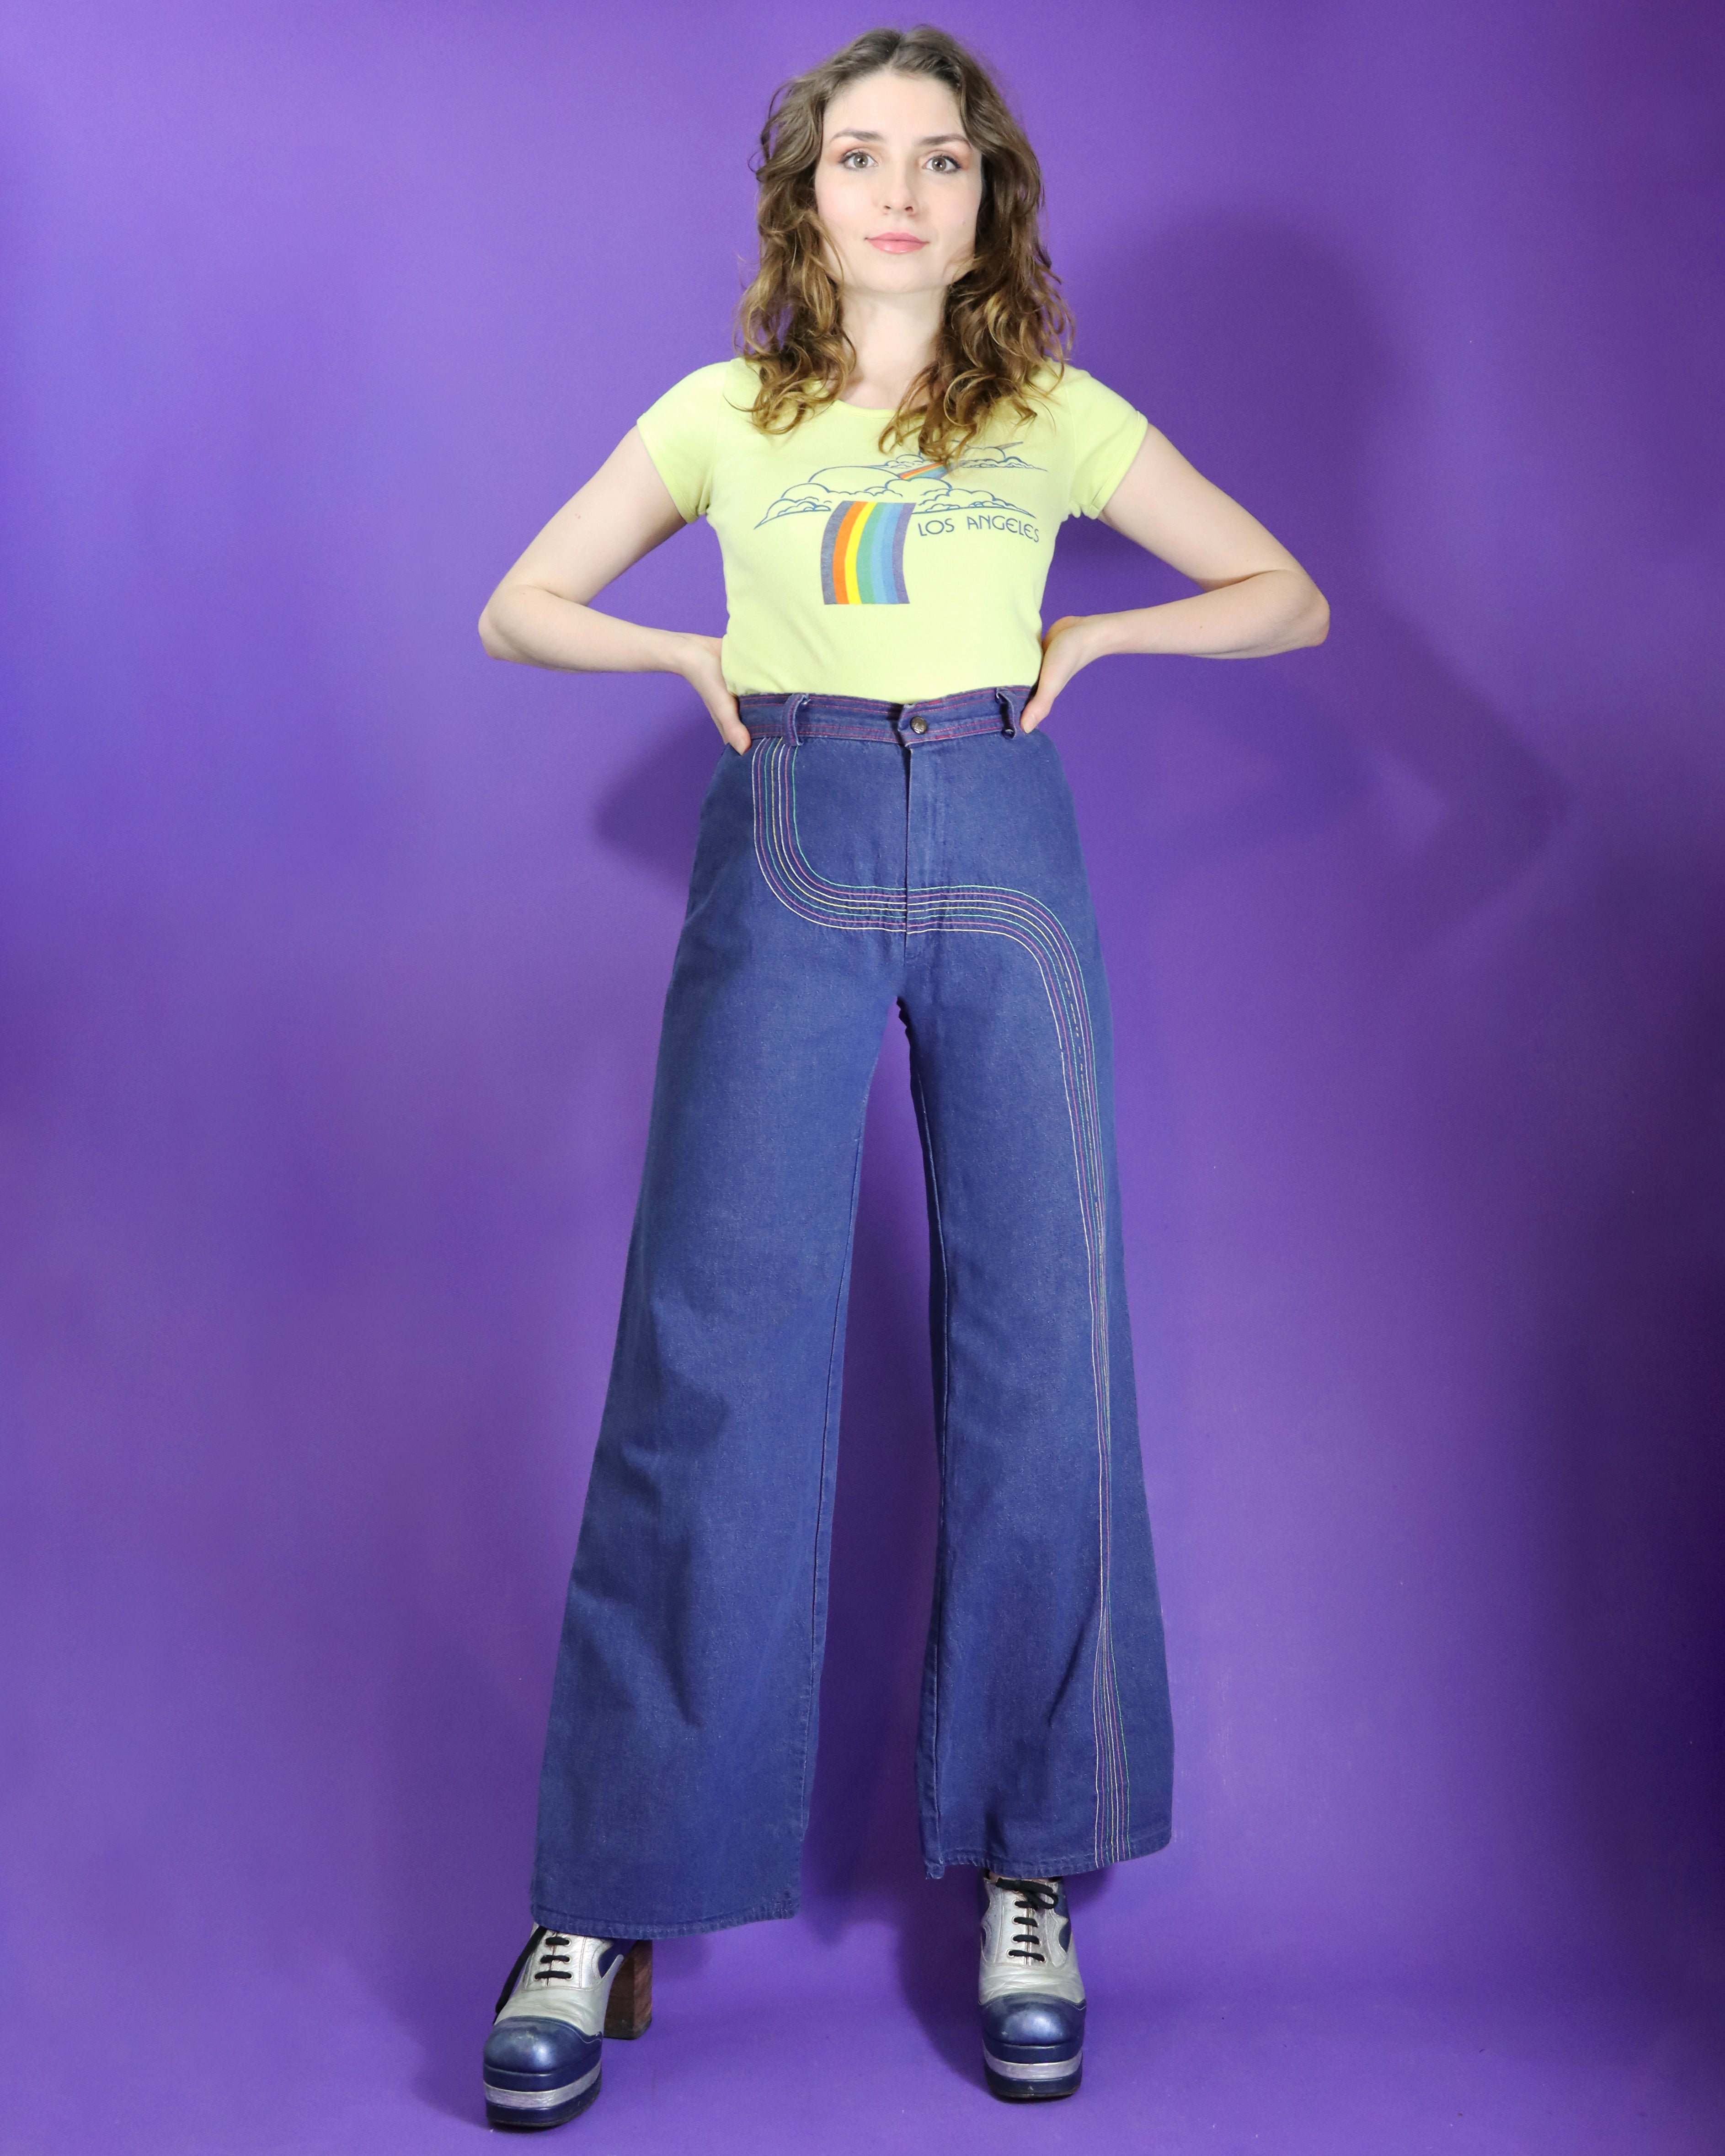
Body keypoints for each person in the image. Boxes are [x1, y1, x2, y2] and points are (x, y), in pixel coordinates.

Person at [474, 23, 1328, 2129]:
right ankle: (601, 1899)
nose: (897, 190)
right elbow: (517, 609)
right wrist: (679, 654)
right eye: (858, 155)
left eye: (938, 160)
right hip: (789, 831)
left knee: (1044, 1349)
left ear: (981, 205)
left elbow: (1285, 596)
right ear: (805, 196)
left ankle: (1031, 1871)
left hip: (1003, 844)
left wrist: (1105, 638)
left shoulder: (1049, 414)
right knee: (709, 1361)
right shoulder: (720, 415)